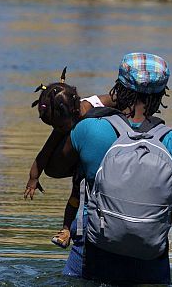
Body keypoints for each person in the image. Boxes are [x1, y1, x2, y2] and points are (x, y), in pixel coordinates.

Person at [38, 53, 172, 284]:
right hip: (150, 262)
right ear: (161, 95)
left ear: (118, 88)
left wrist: (73, 114)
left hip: (94, 254)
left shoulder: (89, 130)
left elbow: (52, 169)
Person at [24, 69, 113, 249]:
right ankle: (66, 230)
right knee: (76, 193)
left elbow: (119, 101)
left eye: (59, 125)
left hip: (105, 157)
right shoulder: (64, 121)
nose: (57, 129)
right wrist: (33, 178)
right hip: (82, 162)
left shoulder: (97, 104)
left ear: (73, 112)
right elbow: (44, 152)